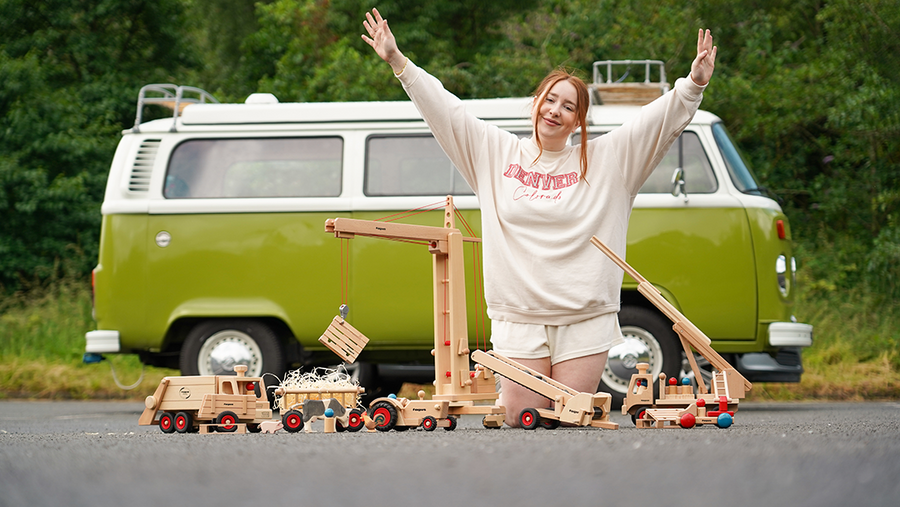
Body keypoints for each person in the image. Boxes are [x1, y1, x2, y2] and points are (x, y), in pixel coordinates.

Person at [362, 7, 717, 427]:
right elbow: (447, 111)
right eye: (549, 99)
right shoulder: (495, 153)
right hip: (519, 315)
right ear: (535, 103)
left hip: (583, 316)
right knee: (521, 416)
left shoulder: (609, 161)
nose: (555, 110)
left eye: (568, 107)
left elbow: (653, 124)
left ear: (578, 121)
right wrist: (398, 62)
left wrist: (692, 85)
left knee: (568, 419)